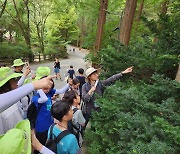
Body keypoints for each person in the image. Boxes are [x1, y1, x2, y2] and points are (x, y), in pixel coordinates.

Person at [0, 67, 54, 134]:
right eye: (14, 79)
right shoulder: (11, 110)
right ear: (7, 83)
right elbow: (19, 132)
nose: (17, 82)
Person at [32, 67, 72, 152]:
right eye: (45, 88)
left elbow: (61, 91)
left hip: (50, 124)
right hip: (41, 127)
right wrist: (39, 88)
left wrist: (68, 84)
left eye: (49, 88)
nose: (47, 90)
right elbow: (44, 100)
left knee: (47, 145)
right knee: (39, 146)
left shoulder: (49, 93)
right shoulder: (35, 98)